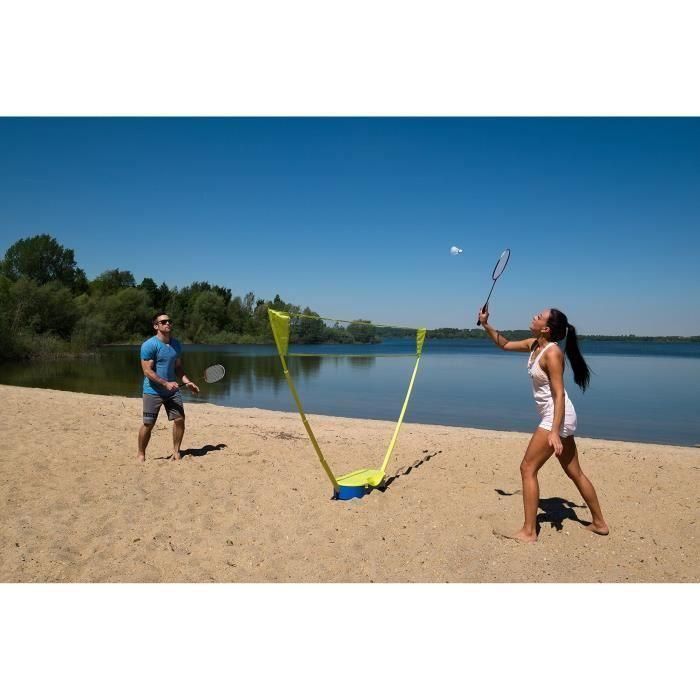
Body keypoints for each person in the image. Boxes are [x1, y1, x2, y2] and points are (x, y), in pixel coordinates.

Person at [479, 307, 609, 542]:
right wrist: (486, 324)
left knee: (527, 468)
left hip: (556, 417)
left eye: (539, 317)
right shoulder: (533, 345)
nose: (533, 317)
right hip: (557, 417)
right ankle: (599, 523)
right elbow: (505, 344)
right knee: (575, 472)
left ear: (546, 328)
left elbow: (559, 394)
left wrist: (555, 432)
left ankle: (529, 532)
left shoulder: (552, 353)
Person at [137, 312, 199, 461]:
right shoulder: (149, 345)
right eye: (163, 322)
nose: (167, 324)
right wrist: (165, 383)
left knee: (179, 420)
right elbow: (147, 371)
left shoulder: (176, 344)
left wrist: (188, 381)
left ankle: (176, 451)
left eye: (169, 321)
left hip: (172, 391)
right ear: (155, 326)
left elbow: (178, 367)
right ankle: (141, 453)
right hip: (153, 391)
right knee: (148, 424)